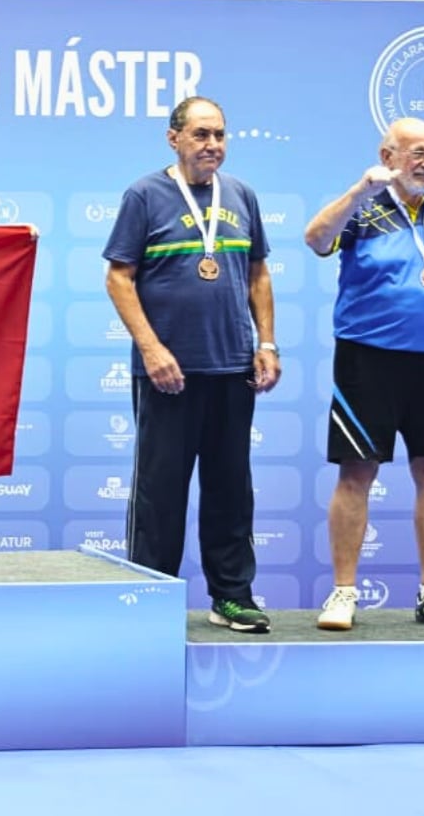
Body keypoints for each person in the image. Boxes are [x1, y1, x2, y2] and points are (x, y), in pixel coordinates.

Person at [102, 96, 280, 633]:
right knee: (161, 492)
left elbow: (258, 275)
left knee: (231, 489)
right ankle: (150, 597)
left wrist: (267, 344)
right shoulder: (144, 195)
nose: (212, 146)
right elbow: (118, 277)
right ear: (173, 138)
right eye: (201, 135)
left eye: (220, 135)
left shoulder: (241, 194)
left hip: (232, 368)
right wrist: (152, 350)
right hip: (168, 373)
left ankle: (232, 596)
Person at [303, 117, 424, 632]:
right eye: (416, 153)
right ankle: (343, 594)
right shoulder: (363, 209)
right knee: (356, 473)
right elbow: (316, 239)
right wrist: (360, 190)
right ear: (389, 156)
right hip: (368, 362)